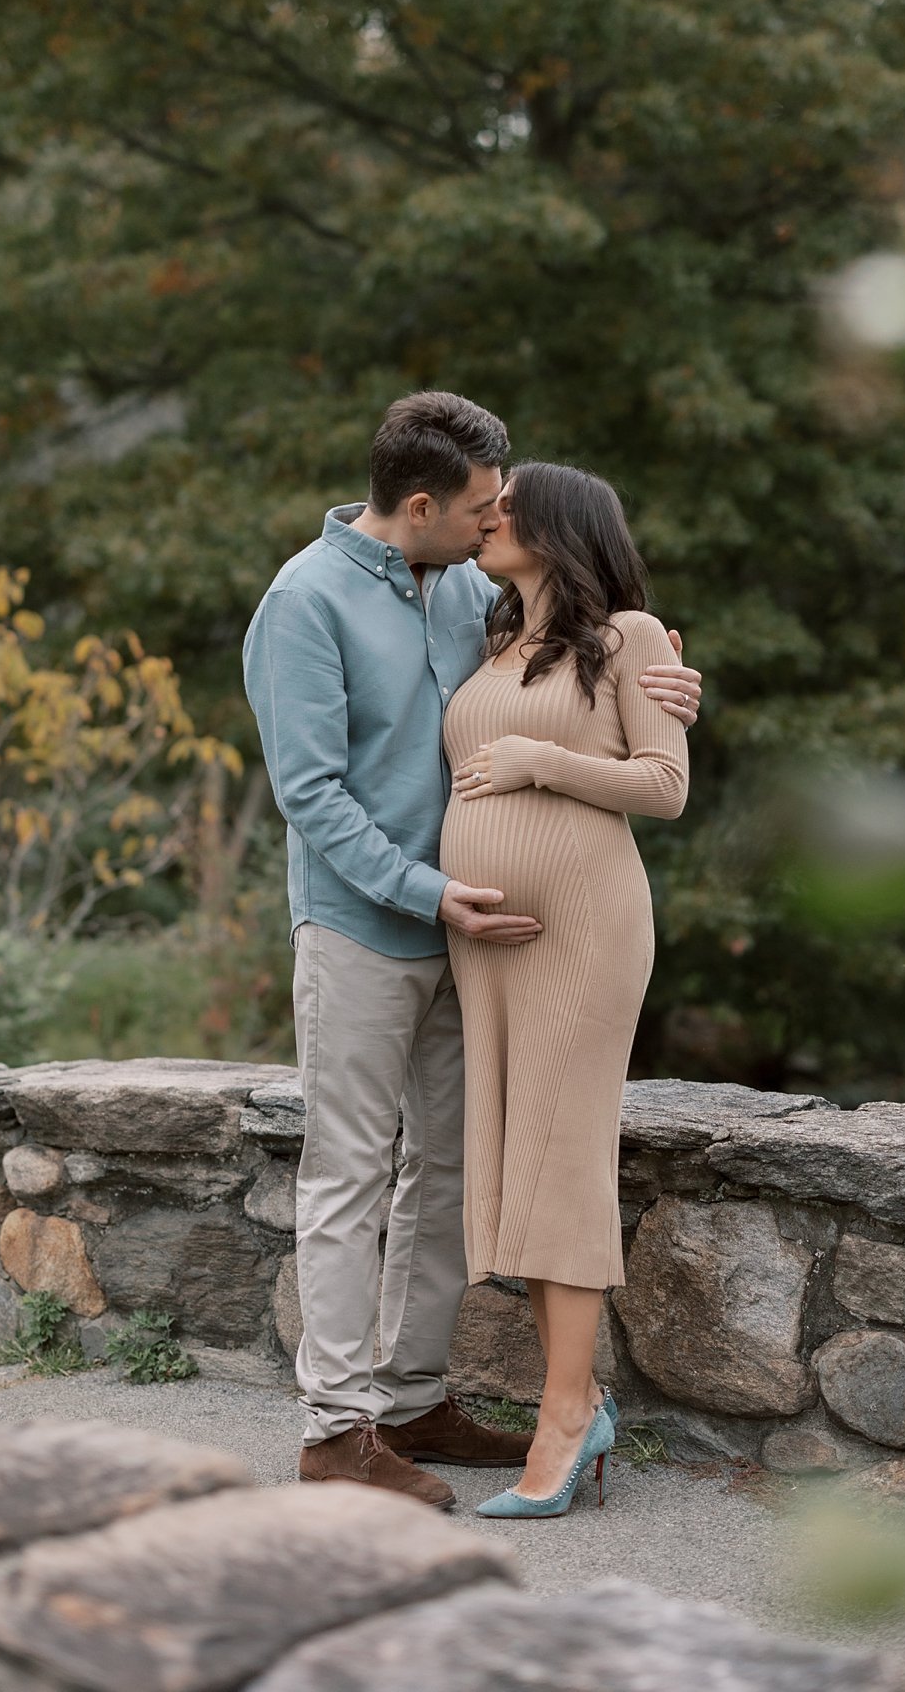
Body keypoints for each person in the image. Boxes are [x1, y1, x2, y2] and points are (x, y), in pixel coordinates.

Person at [243, 392, 701, 1508]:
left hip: (482, 942)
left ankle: (409, 1397)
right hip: (364, 925)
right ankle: (337, 1432)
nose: (497, 520)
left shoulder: (466, 598)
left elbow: (590, 681)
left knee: (442, 1171)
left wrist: (674, 681)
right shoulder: (302, 604)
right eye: (483, 506)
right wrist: (432, 892)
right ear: (418, 504)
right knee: (351, 1170)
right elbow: (311, 794)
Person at [441, 461, 689, 1519]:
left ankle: (564, 1415)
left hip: (584, 927)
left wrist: (542, 760)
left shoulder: (630, 634)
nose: (488, 519)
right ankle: (576, 1395)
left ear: (562, 523)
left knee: (568, 1157)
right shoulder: (493, 638)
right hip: (486, 938)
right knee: (520, 1161)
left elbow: (664, 783)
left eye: (505, 507)